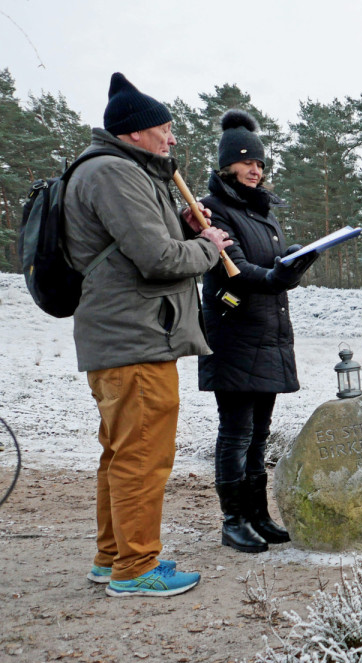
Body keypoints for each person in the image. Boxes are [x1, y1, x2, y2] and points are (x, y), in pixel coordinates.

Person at [66, 73, 232, 596]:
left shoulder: (120, 171)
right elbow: (158, 260)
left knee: (121, 452)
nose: (172, 138)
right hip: (135, 338)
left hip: (124, 337)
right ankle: (136, 568)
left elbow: (145, 242)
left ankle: (112, 557)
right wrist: (207, 244)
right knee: (141, 454)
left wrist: (184, 224)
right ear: (136, 132)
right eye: (165, 127)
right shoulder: (115, 173)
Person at [199, 109, 318, 554]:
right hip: (232, 336)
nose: (255, 170)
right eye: (246, 162)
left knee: (260, 432)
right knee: (235, 432)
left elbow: (271, 271)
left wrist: (292, 262)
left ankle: (258, 514)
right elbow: (232, 268)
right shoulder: (210, 210)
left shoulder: (263, 212)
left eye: (260, 164)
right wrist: (274, 276)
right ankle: (234, 520)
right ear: (227, 165)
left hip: (267, 333)